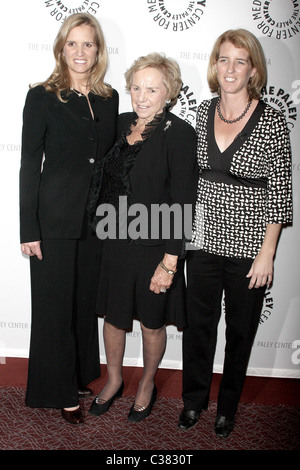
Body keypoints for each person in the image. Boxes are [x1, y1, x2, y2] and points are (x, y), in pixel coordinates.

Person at [178, 29, 292, 437]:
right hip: (203, 242)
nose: (230, 68)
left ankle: (227, 407)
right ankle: (193, 401)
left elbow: (281, 192)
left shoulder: (273, 121)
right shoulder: (203, 112)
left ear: (253, 70)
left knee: (241, 333)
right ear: (214, 65)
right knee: (199, 328)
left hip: (249, 250)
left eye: (239, 61)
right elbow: (190, 178)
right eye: (223, 59)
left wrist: (268, 253)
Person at [87, 53, 198, 423]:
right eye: (136, 87)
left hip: (155, 249)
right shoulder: (119, 124)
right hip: (115, 242)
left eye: (152, 88)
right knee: (113, 319)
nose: (142, 95)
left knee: (152, 323)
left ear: (169, 92)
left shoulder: (180, 133)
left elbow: (184, 201)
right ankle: (115, 379)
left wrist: (170, 262)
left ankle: (147, 383)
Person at [19, 13, 119, 424]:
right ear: (62, 48)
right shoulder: (42, 96)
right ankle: (59, 390)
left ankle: (78, 375)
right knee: (54, 306)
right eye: (72, 43)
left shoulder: (109, 97)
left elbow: (112, 160)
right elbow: (29, 163)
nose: (80, 52)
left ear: (99, 50)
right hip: (54, 219)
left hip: (94, 222)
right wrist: (29, 228)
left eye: (88, 44)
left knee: (81, 304)